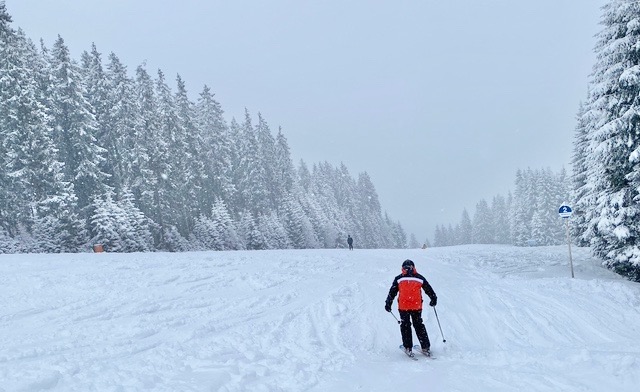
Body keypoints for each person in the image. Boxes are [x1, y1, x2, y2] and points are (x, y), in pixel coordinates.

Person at [385, 259, 437, 358]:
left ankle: (408, 347)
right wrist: (433, 298)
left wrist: (388, 303)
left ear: (402, 268)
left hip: (403, 307)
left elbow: (392, 292)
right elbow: (428, 289)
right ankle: (425, 347)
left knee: (405, 326)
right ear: (413, 267)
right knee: (418, 325)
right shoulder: (419, 277)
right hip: (416, 306)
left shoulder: (399, 278)